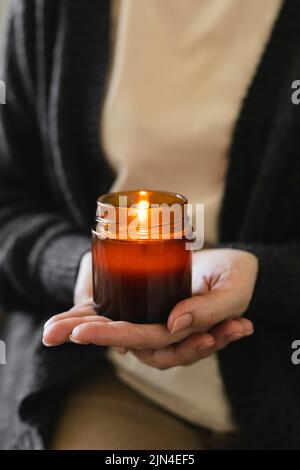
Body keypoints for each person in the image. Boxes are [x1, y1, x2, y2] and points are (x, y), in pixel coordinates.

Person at [0, 0, 299, 450]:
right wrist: (81, 267)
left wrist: (265, 275)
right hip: (110, 375)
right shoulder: (55, 12)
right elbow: (8, 203)